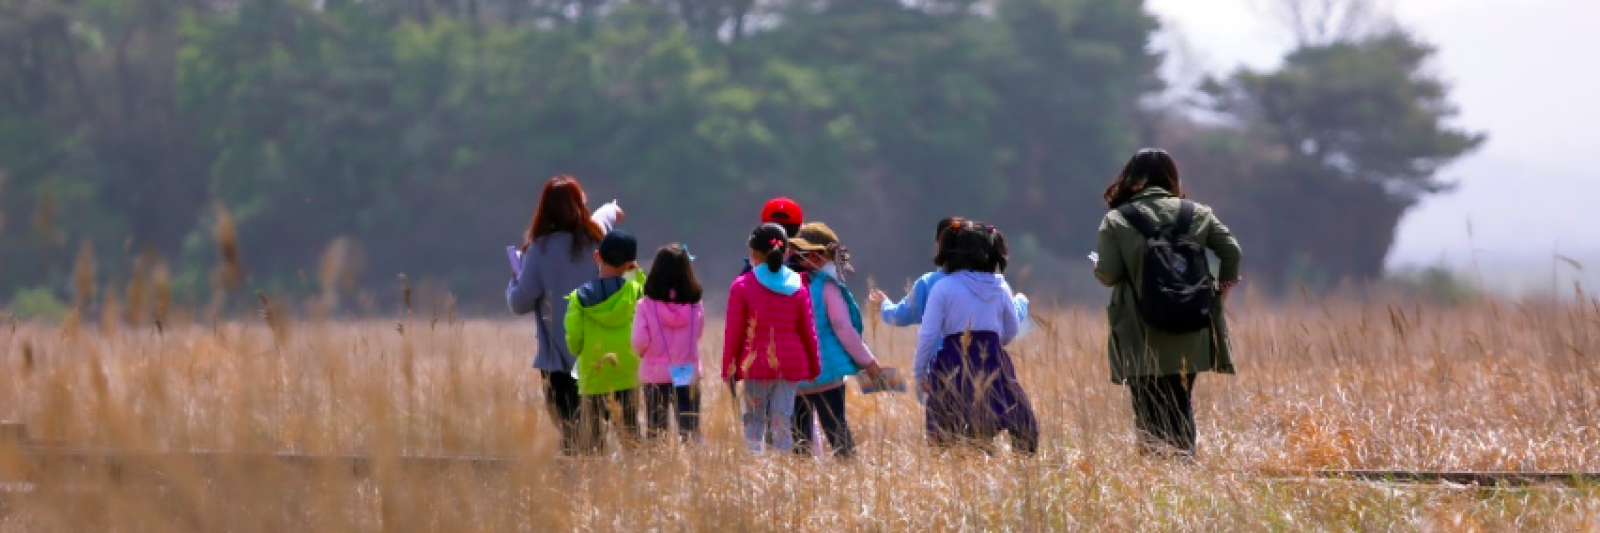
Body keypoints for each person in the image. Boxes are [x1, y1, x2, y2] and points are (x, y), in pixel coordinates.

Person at [1093, 148, 1242, 459]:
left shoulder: (1117, 219)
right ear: (1172, 179)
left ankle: (1156, 472)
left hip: (1139, 327)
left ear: (1131, 180)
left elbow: (1108, 275)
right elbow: (1231, 251)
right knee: (1180, 399)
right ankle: (1184, 465)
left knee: (1147, 404)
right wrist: (1221, 291)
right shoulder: (1197, 213)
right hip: (1191, 322)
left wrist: (1100, 265)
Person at [506, 175, 623, 455]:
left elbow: (520, 303)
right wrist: (612, 209)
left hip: (558, 363)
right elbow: (605, 217)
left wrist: (514, 280)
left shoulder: (539, 251)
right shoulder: (598, 242)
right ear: (580, 205)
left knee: (573, 438)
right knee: (596, 436)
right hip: (601, 357)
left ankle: (577, 491)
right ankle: (600, 491)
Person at [914, 221, 1039, 454]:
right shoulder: (999, 286)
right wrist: (992, 345)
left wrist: (920, 372)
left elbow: (928, 335)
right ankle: (1013, 459)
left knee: (952, 429)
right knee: (1011, 413)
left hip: (953, 361)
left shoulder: (944, 287)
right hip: (993, 360)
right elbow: (1011, 328)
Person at [787, 222, 884, 459]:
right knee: (837, 429)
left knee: (800, 436)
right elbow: (843, 328)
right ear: (818, 256)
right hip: (827, 375)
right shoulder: (827, 287)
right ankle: (849, 474)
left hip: (795, 375)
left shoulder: (784, 285)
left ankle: (804, 479)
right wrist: (867, 361)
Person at [722, 223, 821, 453]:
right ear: (786, 252)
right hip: (791, 365)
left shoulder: (742, 286)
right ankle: (782, 473)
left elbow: (734, 333)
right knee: (782, 423)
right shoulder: (798, 284)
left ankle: (757, 473)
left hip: (756, 364)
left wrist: (728, 368)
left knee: (754, 424)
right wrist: (813, 367)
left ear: (753, 254)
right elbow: (808, 331)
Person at [564, 230, 647, 453]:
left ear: (596, 256)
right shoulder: (635, 292)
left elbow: (573, 338)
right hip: (626, 372)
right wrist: (637, 274)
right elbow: (648, 300)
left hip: (594, 372)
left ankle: (596, 482)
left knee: (592, 440)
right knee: (631, 436)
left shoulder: (578, 298)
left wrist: (582, 354)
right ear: (629, 264)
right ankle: (638, 480)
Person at [870, 217, 1030, 333]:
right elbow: (1011, 320)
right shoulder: (991, 283)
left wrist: (885, 305)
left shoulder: (929, 283)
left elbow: (901, 316)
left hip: (939, 367)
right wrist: (1021, 301)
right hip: (983, 365)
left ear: (940, 245)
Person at [632, 243, 707, 443]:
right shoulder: (695, 304)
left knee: (656, 430)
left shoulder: (645, 305)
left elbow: (639, 341)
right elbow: (698, 332)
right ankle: (694, 469)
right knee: (690, 429)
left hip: (655, 373)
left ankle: (659, 471)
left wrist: (647, 355)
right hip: (685, 371)